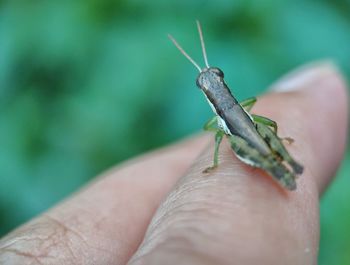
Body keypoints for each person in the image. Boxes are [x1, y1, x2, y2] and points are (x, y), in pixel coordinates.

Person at [0, 62, 348, 265]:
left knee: (231, 136)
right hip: (245, 124)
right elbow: (251, 116)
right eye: (206, 81)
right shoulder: (241, 103)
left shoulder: (215, 120)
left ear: (215, 88)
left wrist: (217, 162)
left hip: (243, 134)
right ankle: (281, 163)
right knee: (260, 127)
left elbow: (215, 134)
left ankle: (282, 161)